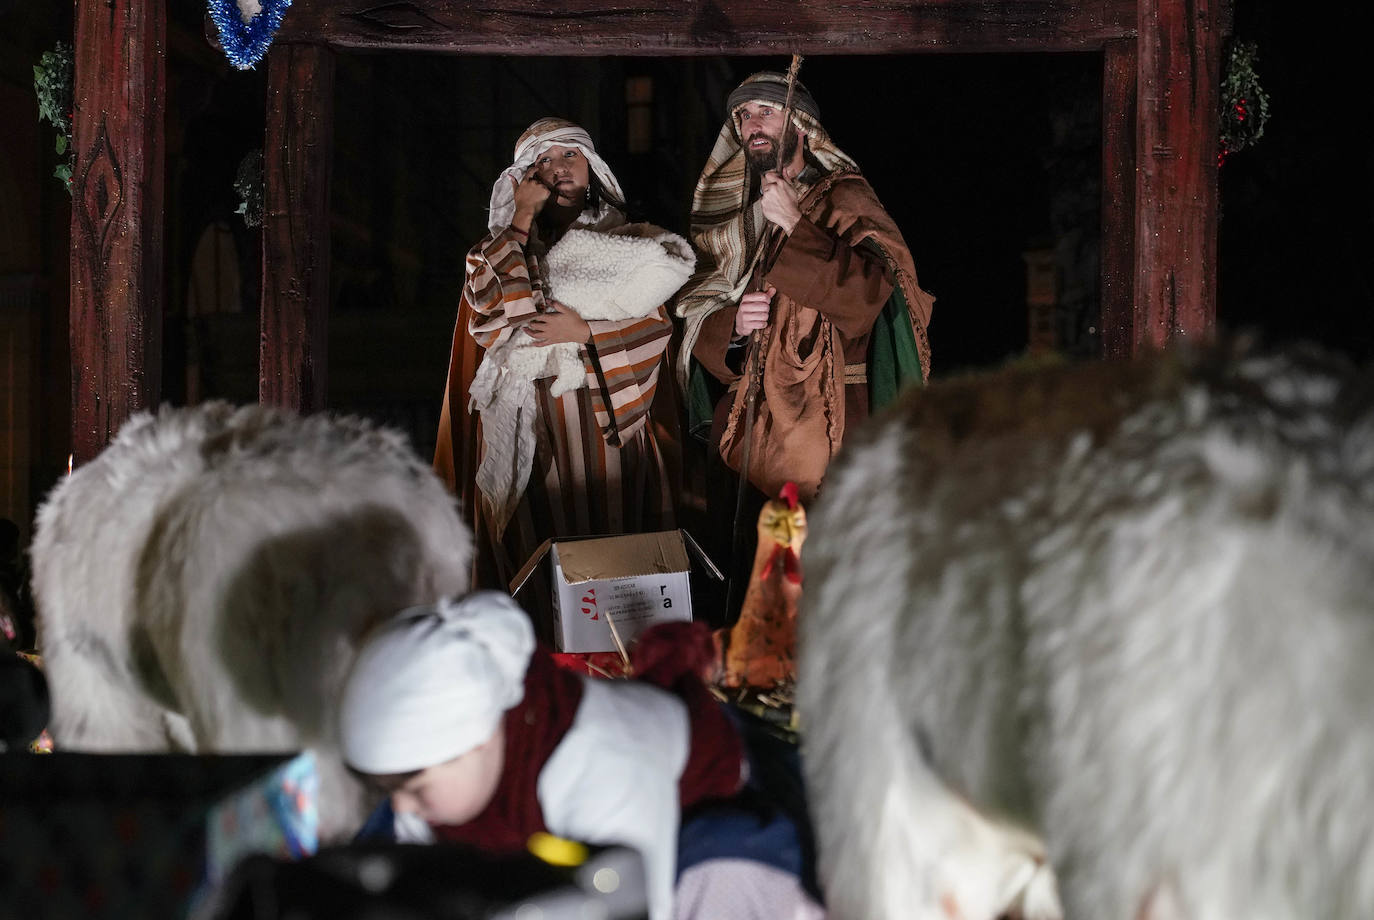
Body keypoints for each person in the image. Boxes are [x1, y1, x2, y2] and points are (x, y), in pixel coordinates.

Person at [338, 592, 779, 920]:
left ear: (478, 740)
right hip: (544, 823)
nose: (401, 807)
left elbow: (639, 902)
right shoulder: (445, 776)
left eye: (415, 788)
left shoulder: (600, 768)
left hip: (694, 797)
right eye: (391, 788)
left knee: (713, 880)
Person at [675, 72, 936, 603]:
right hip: (760, 434)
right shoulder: (749, 221)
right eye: (743, 116)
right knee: (761, 589)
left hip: (833, 427)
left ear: (802, 125)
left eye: (766, 112)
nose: (753, 125)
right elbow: (712, 323)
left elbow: (875, 300)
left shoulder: (846, 199)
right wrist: (736, 326)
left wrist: (797, 226)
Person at [433, 119, 691, 599]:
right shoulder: (499, 249)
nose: (559, 167)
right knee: (538, 536)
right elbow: (489, 312)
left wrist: (586, 332)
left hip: (605, 414)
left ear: (592, 167)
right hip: (529, 416)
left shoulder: (630, 242)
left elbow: (656, 330)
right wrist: (521, 217)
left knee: (611, 529)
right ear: (525, 178)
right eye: (544, 160)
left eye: (570, 155)